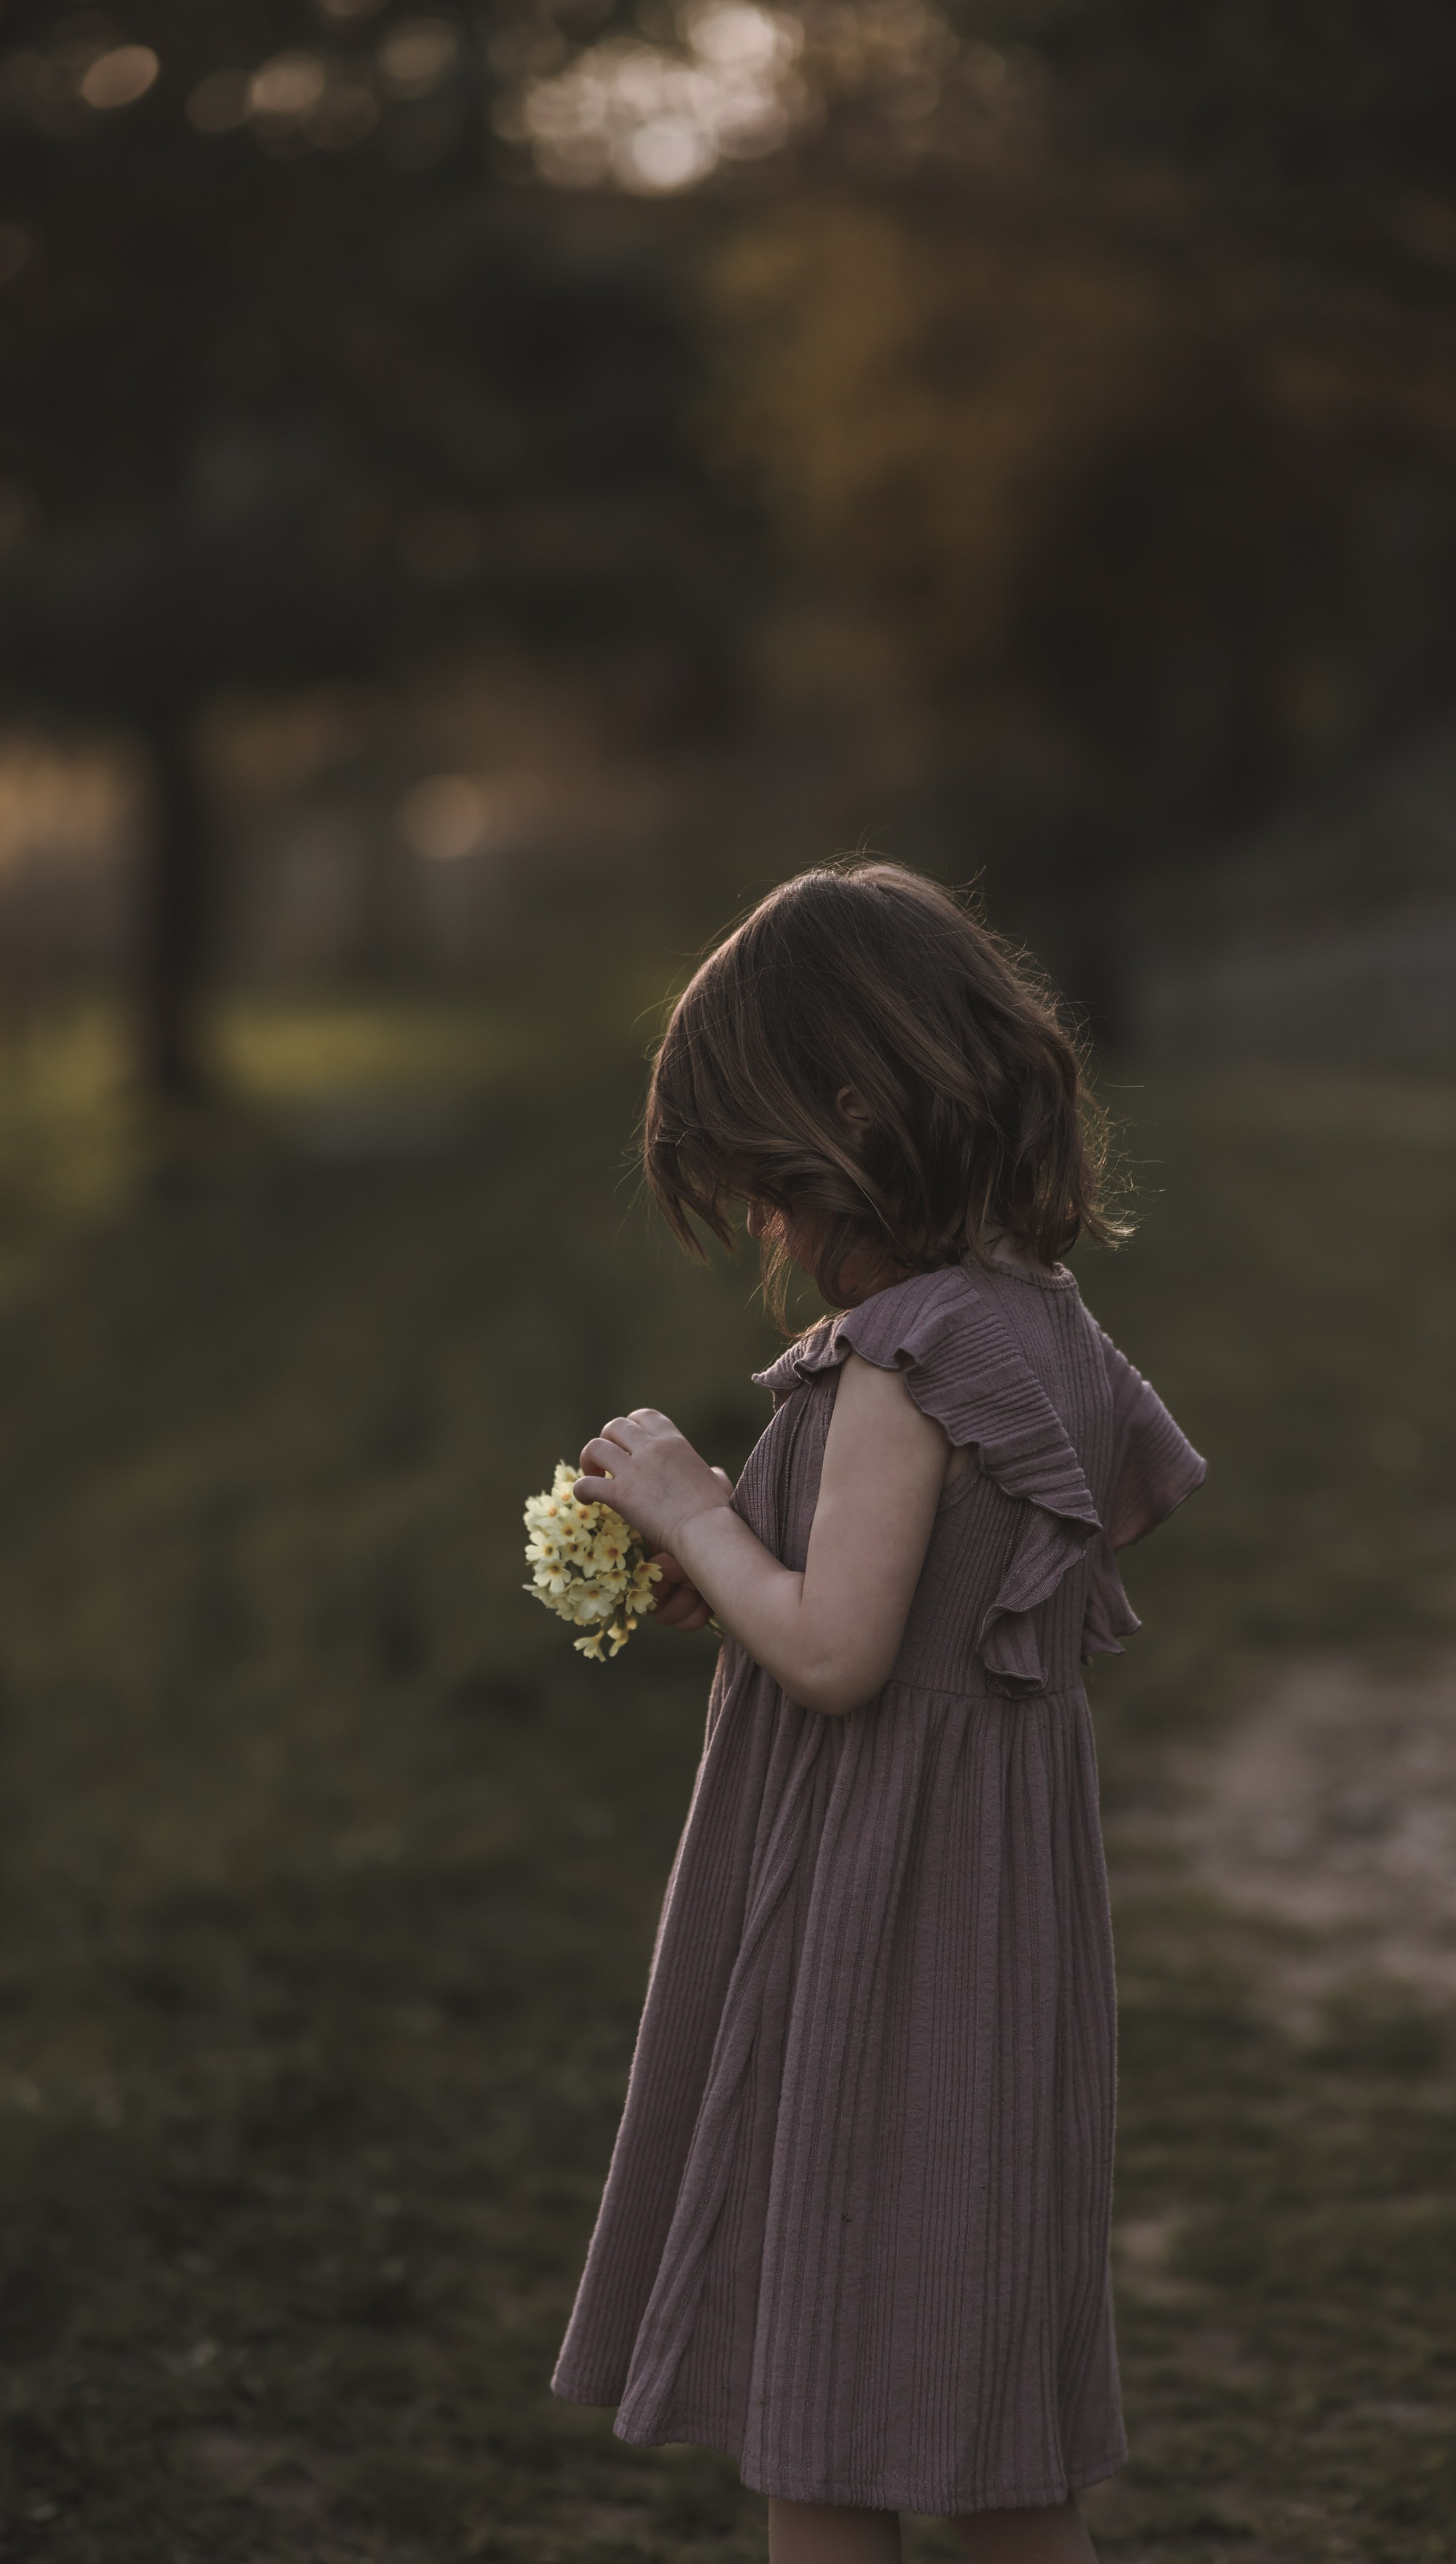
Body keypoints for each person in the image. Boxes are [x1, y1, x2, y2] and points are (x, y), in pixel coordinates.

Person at [551, 861, 1205, 2563]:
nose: (770, 1234)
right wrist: (758, 1569)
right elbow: (1089, 1520)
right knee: (994, 2423)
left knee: (822, 2396)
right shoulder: (1044, 1323)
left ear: (851, 1119)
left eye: (770, 1190)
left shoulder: (901, 1361)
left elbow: (841, 1658)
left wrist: (699, 1512)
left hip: (871, 1918)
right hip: (1004, 1918)